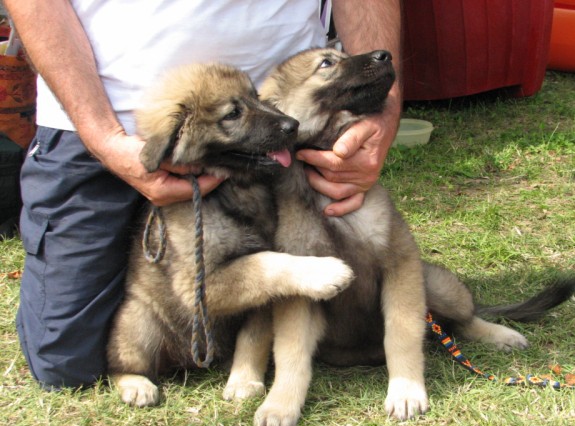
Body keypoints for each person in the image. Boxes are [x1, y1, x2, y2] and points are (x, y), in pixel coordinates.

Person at [5, 0, 402, 390]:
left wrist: (384, 104)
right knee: (66, 365)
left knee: (332, 291)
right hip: (98, 124)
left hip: (286, 116)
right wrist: (105, 139)